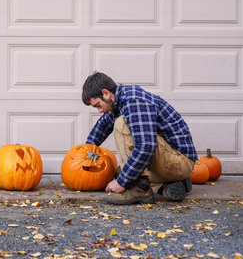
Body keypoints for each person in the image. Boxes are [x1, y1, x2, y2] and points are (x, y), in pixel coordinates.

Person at [82, 72, 197, 204]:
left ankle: (140, 189)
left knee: (121, 124)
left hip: (179, 161)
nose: (99, 110)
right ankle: (168, 184)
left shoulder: (134, 101)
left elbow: (146, 147)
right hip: (170, 163)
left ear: (106, 93)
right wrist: (84, 153)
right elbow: (102, 126)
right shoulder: (119, 102)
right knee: (116, 172)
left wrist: (122, 182)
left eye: (98, 105)